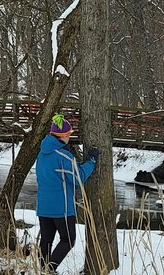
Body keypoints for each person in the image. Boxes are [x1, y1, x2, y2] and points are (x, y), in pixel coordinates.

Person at [35, 114, 99, 273]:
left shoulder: (41, 154)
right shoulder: (64, 156)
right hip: (61, 208)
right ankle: (49, 269)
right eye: (69, 134)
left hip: (43, 206)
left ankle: (43, 269)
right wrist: (91, 161)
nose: (70, 136)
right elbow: (79, 178)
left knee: (46, 241)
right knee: (68, 240)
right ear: (63, 135)